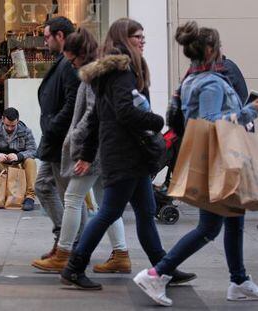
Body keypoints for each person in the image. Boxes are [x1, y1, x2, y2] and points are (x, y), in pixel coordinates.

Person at [59, 18, 195, 290]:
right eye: (137, 36)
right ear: (123, 37)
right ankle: (74, 267)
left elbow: (98, 115)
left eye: (143, 36)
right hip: (125, 152)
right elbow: (123, 111)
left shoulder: (112, 69)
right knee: (109, 211)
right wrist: (156, 122)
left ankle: (162, 268)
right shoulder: (121, 69)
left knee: (146, 211)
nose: (142, 40)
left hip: (126, 152)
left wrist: (87, 154)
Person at [134, 21, 258, 306]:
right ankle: (156, 274)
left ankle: (238, 280)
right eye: (220, 47)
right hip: (218, 161)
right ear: (211, 50)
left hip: (216, 160)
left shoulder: (191, 79)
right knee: (209, 228)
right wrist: (250, 110)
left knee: (234, 219)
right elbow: (214, 124)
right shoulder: (211, 83)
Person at [32, 28, 131, 273]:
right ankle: (120, 253)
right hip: (101, 148)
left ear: (80, 54)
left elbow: (92, 114)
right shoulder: (99, 72)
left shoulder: (95, 75)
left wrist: (77, 140)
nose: (71, 64)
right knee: (105, 205)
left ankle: (65, 252)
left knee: (74, 198)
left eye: (73, 59)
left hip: (93, 149)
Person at [35, 16, 81, 259]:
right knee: (48, 187)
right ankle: (67, 238)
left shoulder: (69, 64)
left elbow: (74, 102)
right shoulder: (63, 62)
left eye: (47, 37)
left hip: (61, 141)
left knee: (71, 196)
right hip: (55, 139)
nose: (45, 42)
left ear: (60, 36)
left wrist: (53, 126)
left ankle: (71, 243)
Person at [0, 107, 37, 211]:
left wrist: (19, 156)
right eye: (7, 125)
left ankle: (30, 197)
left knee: (31, 162)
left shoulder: (25, 131)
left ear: (18, 121)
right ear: (3, 119)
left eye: (13, 126)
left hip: (18, 164)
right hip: (1, 164)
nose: (10, 128)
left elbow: (34, 151)